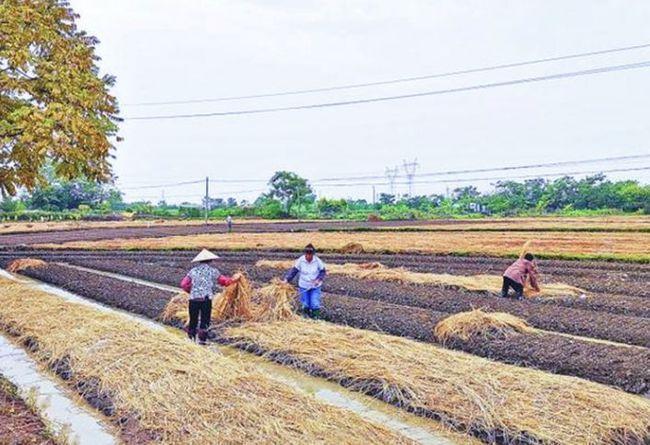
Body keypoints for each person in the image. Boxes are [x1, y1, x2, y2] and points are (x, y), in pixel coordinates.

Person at [180, 249, 240, 344]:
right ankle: (202, 341)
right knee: (204, 320)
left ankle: (190, 341)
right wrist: (235, 279)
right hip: (206, 300)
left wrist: (191, 291)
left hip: (194, 300)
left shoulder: (193, 271)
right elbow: (225, 282)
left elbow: (183, 284)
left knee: (193, 320)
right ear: (210, 260)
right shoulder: (213, 271)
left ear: (199, 261)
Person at [284, 244, 326, 319]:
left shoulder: (317, 261)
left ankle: (315, 318)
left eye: (310, 255)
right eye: (307, 254)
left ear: (313, 255)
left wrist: (318, 279)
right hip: (303, 285)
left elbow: (323, 271)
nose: (308, 257)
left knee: (314, 303)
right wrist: (286, 280)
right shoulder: (301, 260)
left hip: (315, 286)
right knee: (305, 304)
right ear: (305, 254)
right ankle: (306, 318)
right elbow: (294, 271)